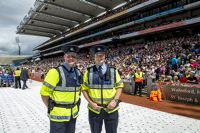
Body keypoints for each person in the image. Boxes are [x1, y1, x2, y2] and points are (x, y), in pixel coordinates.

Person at [81, 45, 124, 133]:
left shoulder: (113, 70)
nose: (99, 57)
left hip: (111, 109)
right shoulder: (88, 72)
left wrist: (115, 101)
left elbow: (119, 86)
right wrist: (91, 103)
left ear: (104, 56)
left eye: (101, 55)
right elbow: (84, 89)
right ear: (94, 57)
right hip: (95, 110)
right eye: (97, 55)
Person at [40, 45, 82, 133]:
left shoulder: (78, 72)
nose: (71, 58)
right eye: (68, 56)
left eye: (73, 56)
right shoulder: (55, 72)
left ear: (76, 58)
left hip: (72, 115)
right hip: (58, 117)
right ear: (64, 57)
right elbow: (44, 94)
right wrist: (51, 107)